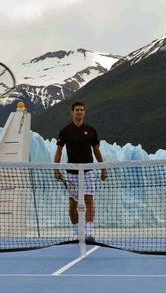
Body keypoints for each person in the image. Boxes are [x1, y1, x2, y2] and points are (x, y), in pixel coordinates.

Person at [53, 101, 107, 241]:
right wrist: (56, 169)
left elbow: (96, 149)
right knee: (73, 203)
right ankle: (76, 233)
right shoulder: (65, 131)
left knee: (89, 200)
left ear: (84, 112)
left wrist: (103, 168)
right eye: (77, 110)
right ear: (72, 112)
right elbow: (59, 150)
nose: (79, 112)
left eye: (81, 110)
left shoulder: (91, 130)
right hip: (72, 172)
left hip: (88, 171)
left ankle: (88, 232)